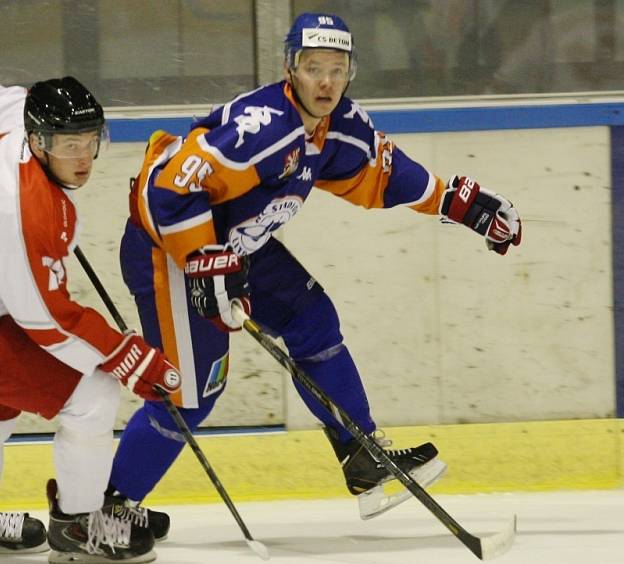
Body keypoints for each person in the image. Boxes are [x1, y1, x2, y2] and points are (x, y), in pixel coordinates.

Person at [105, 11, 522, 530]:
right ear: (289, 68)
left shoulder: (339, 125)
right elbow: (164, 189)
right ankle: (105, 513)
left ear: (351, 73)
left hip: (238, 249)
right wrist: (200, 262)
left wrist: (459, 204)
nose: (325, 81)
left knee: (313, 321)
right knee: (190, 395)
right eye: (312, 66)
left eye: (337, 68)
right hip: (166, 252)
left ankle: (361, 455)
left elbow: (384, 175)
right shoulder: (260, 131)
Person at [0, 75, 181, 564]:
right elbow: (44, 320)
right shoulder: (21, 208)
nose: (84, 158)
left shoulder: (15, 114)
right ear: (40, 141)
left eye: (91, 141)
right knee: (94, 394)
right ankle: (79, 525)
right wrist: (128, 358)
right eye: (70, 145)